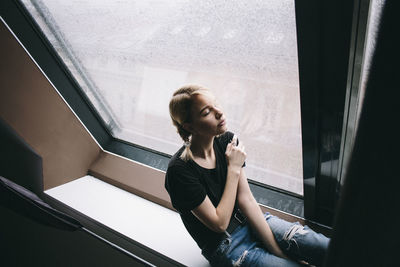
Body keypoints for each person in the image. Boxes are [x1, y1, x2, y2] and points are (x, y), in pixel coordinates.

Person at [165, 84, 329, 266]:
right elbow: (219, 223)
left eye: (216, 104)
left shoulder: (227, 140)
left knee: (325, 247)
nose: (219, 113)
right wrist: (233, 168)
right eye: (206, 112)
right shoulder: (179, 171)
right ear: (190, 126)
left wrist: (277, 251)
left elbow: (246, 200)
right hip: (225, 245)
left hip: (251, 221)